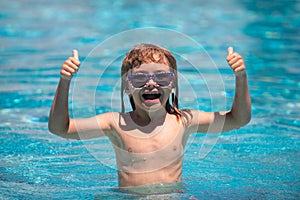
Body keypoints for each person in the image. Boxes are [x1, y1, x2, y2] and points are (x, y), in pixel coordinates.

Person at [48, 43, 251, 194]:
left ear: (173, 84)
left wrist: (240, 77)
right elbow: (60, 128)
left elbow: (237, 119)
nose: (151, 84)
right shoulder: (115, 124)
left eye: (162, 78)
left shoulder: (184, 121)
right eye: (139, 78)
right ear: (127, 86)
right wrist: (65, 81)